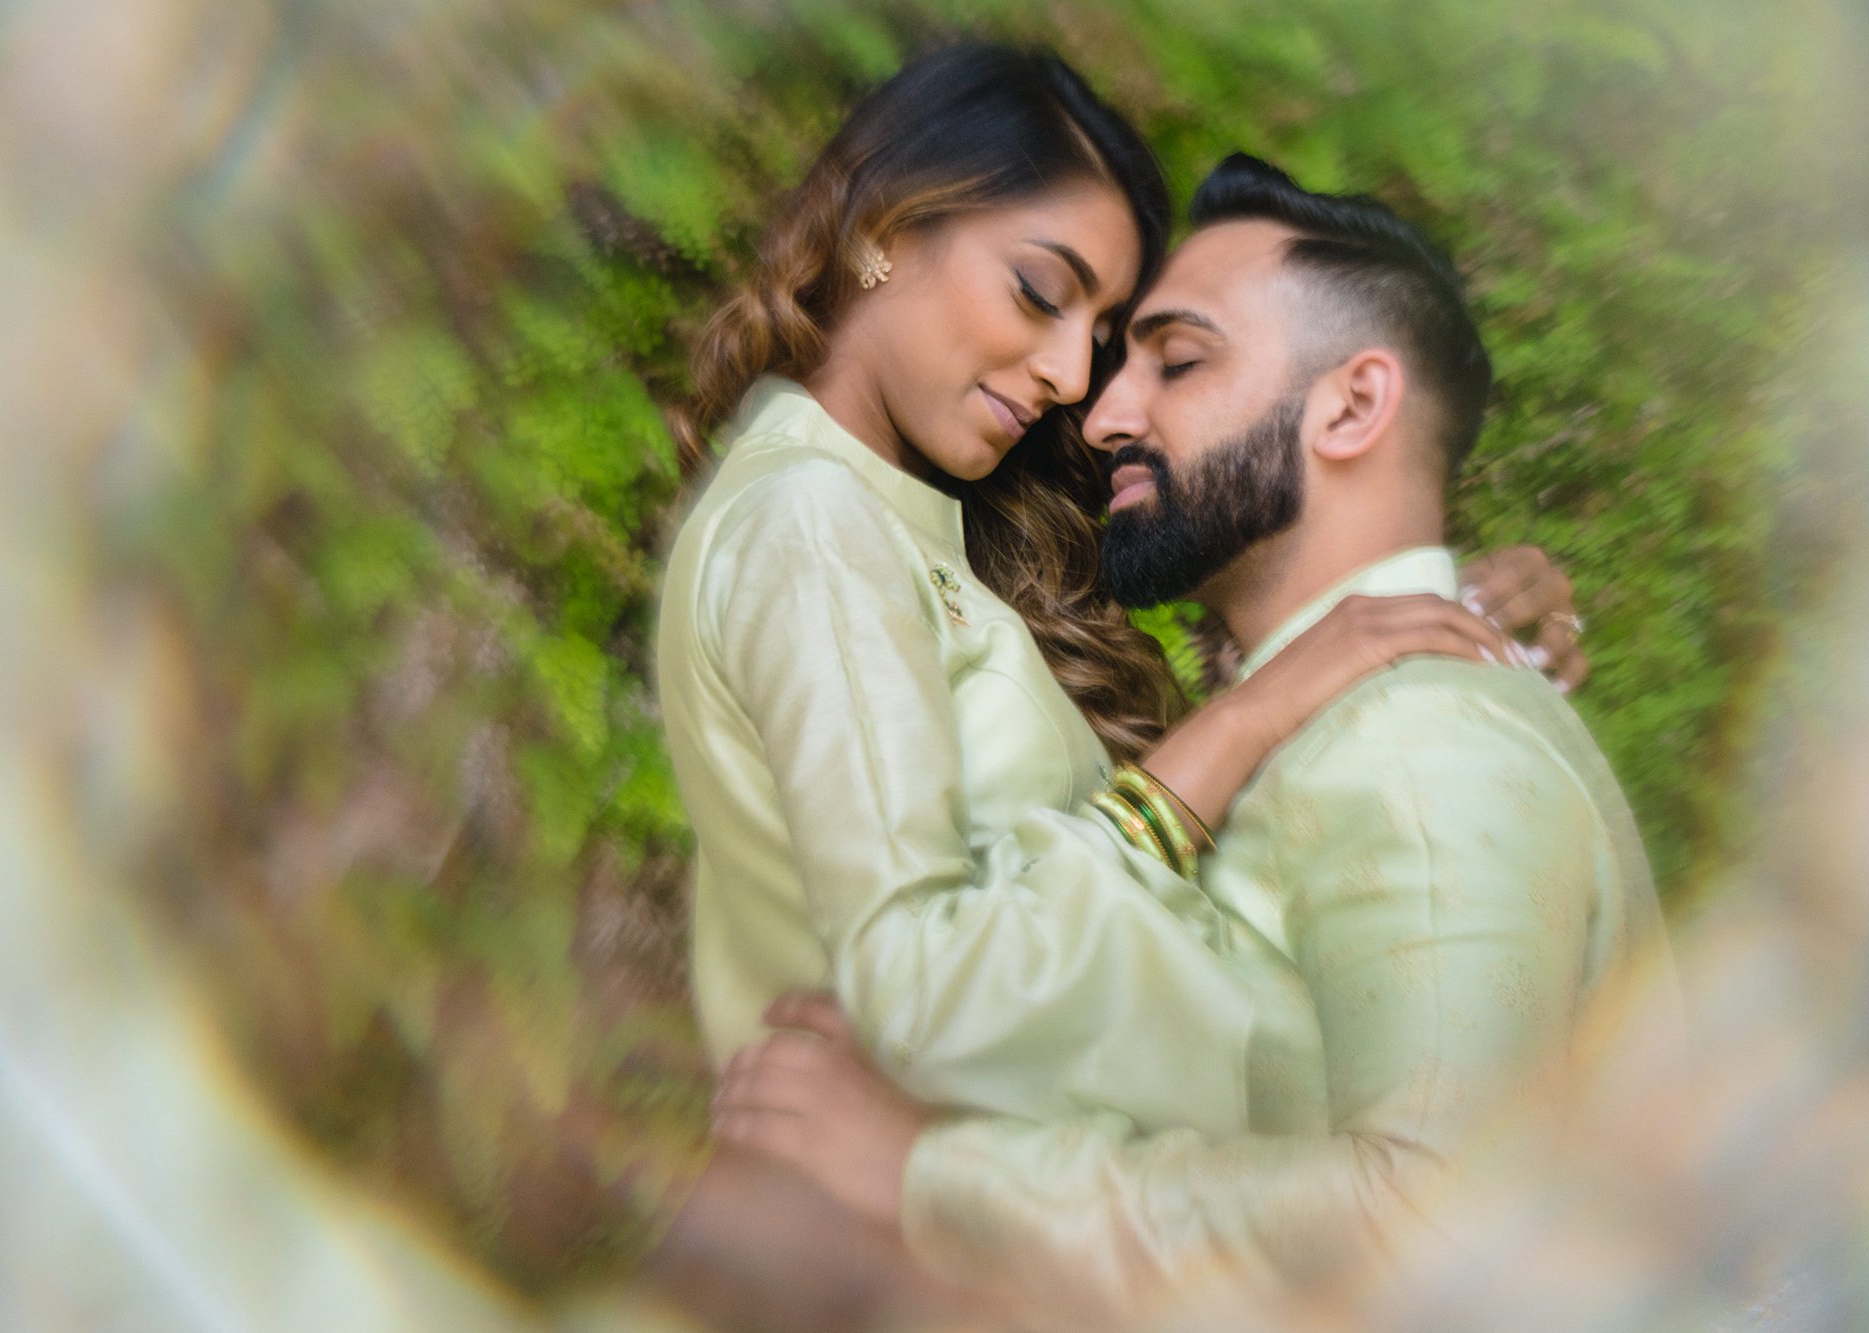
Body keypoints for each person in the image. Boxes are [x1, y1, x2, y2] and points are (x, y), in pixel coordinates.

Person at [710, 153, 1680, 1316]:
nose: (1104, 409)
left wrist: (928, 1170)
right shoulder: (1337, 715)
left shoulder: (1427, 749)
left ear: (1354, 404)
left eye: (1176, 360)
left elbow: (1433, 1225)